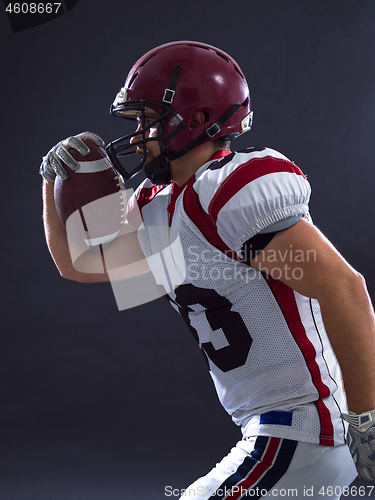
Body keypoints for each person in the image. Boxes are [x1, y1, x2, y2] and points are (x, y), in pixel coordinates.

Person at [40, 41, 375, 498]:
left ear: (195, 122)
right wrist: (52, 182)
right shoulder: (162, 211)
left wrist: (367, 421)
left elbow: (345, 288)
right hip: (274, 430)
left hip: (306, 428)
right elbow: (77, 264)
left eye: (147, 121)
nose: (137, 136)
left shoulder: (227, 191)